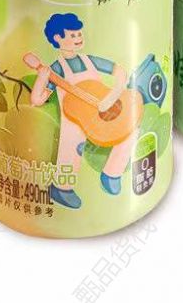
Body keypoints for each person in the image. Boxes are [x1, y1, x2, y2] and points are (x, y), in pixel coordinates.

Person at [28, 13, 135, 209]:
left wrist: (114, 93)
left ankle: (112, 173)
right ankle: (62, 189)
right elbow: (37, 100)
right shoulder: (56, 69)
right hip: (73, 118)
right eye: (73, 35)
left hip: (101, 111)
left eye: (79, 34)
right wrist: (42, 78)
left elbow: (120, 71)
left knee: (129, 129)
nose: (78, 38)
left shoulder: (89, 60)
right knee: (72, 146)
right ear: (58, 38)